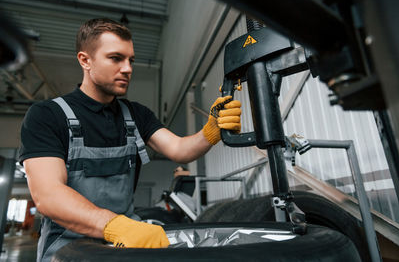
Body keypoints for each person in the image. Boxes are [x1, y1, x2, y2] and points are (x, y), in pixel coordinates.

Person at [19, 18, 241, 262]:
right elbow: (48, 195)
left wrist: (211, 131)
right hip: (67, 251)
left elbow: (180, 150)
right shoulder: (48, 115)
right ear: (85, 60)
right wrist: (115, 226)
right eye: (116, 58)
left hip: (125, 247)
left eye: (130, 60)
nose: (127, 68)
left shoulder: (135, 115)